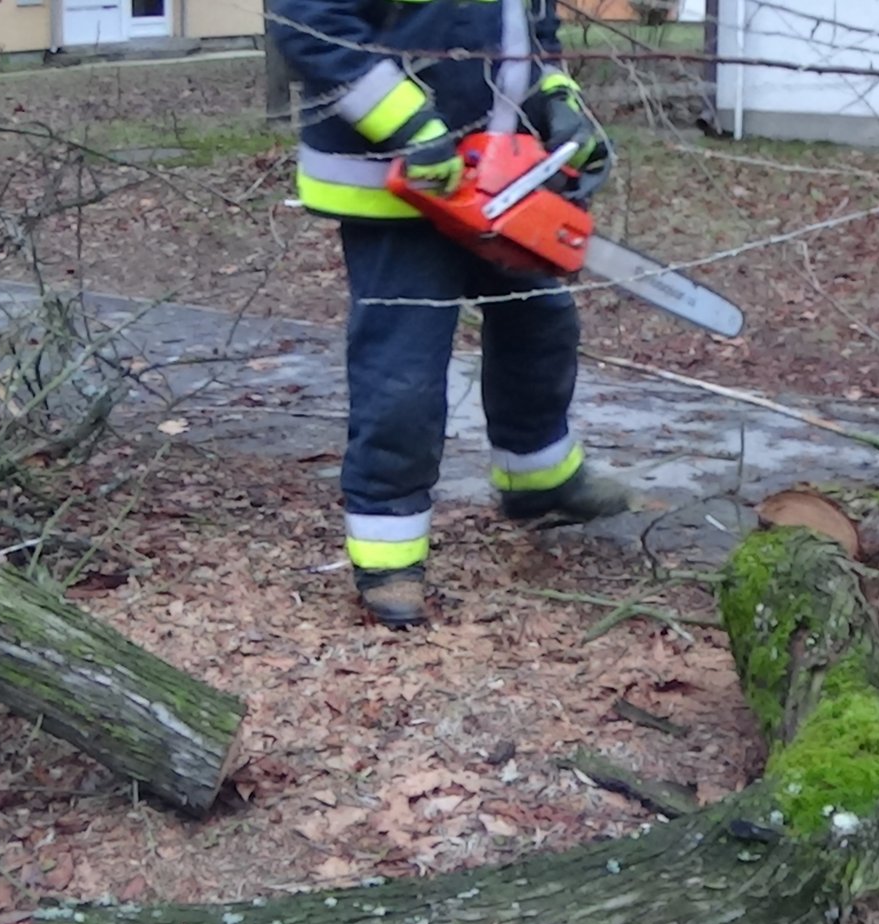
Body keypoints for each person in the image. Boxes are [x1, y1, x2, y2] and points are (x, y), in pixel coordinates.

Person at [267, 0, 634, 628]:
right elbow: (314, 25)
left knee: (540, 324)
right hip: (392, 179)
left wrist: (559, 101)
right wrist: (411, 126)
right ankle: (388, 552)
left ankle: (539, 477)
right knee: (402, 373)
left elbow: (531, 27)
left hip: (500, 172)